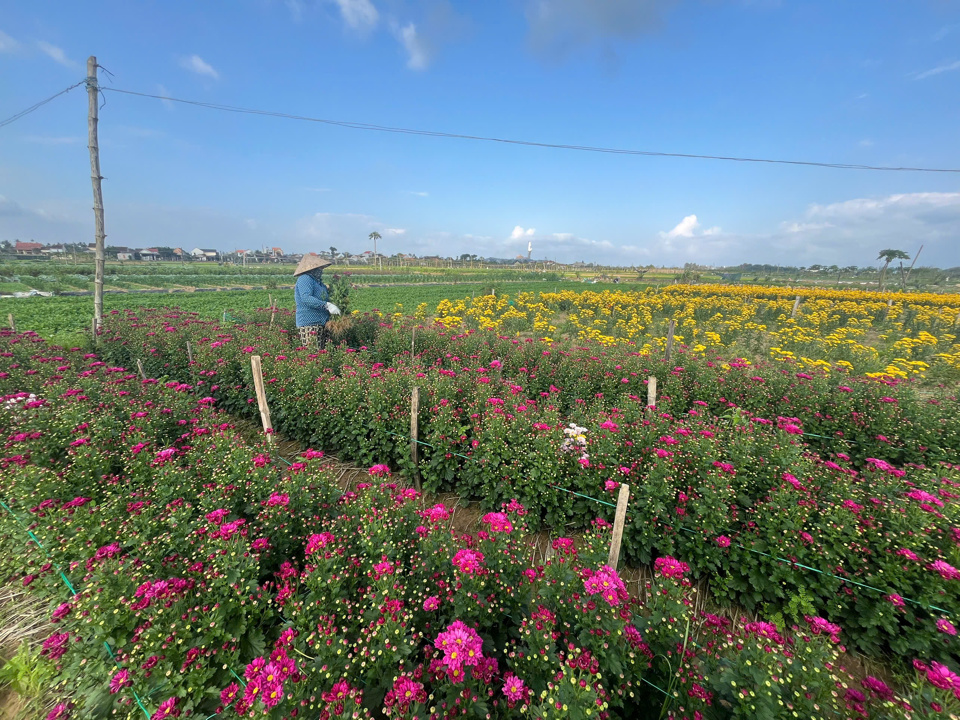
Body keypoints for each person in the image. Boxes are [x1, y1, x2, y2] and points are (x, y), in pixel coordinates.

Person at [294, 253, 334, 350]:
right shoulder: (305, 279)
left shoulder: (319, 283)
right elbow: (306, 298)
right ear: (312, 269)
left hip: (322, 322)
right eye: (319, 268)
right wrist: (326, 305)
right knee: (313, 352)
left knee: (323, 353)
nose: (321, 271)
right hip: (310, 323)